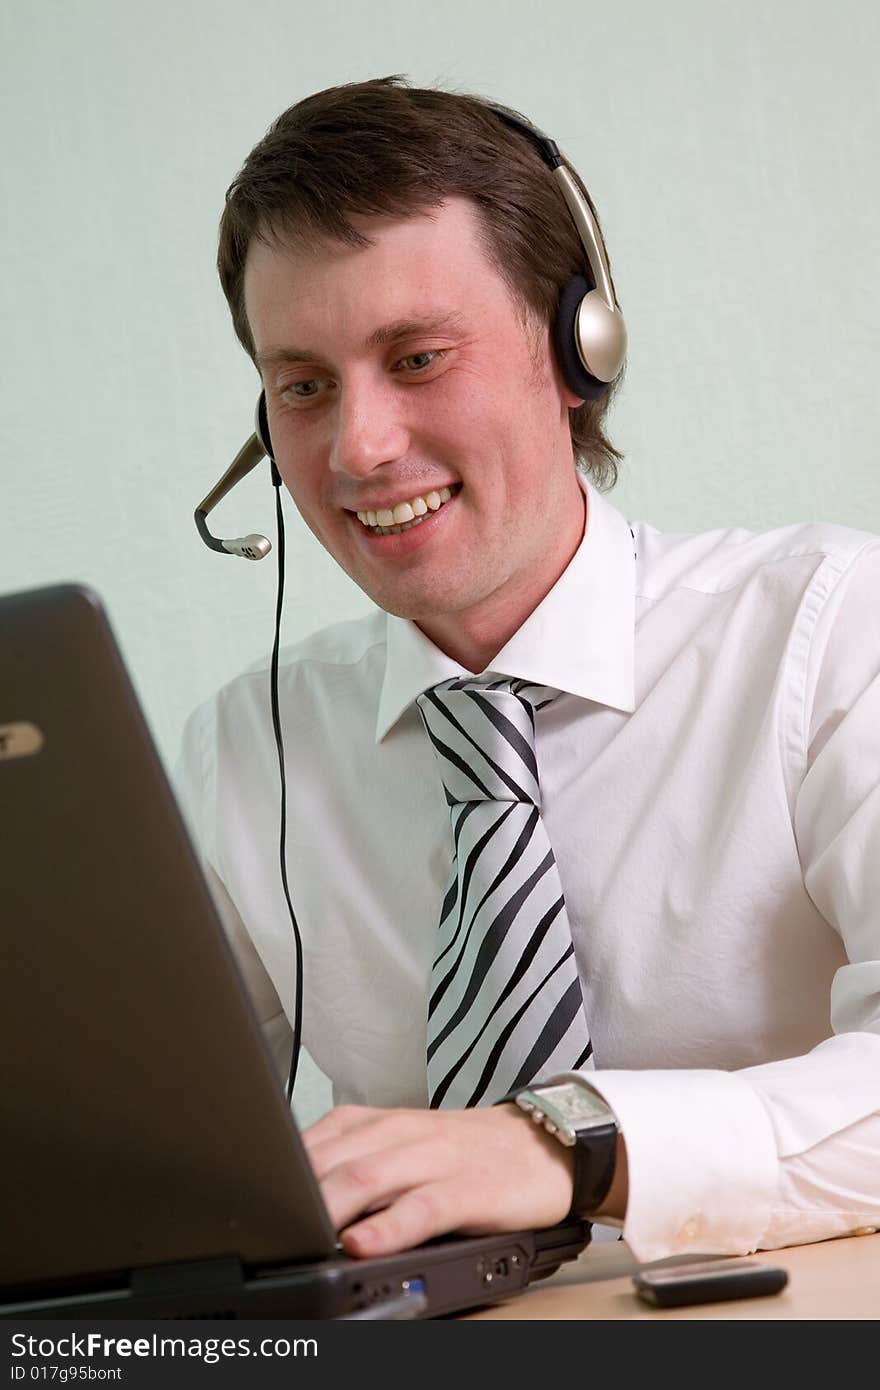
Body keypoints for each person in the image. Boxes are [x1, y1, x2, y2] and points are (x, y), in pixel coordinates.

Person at [176, 76, 880, 1266]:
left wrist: (567, 1145)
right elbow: (147, 1147)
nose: (358, 447)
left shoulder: (828, 629)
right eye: (303, 386)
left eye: (417, 357)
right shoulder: (252, 743)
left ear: (577, 352)